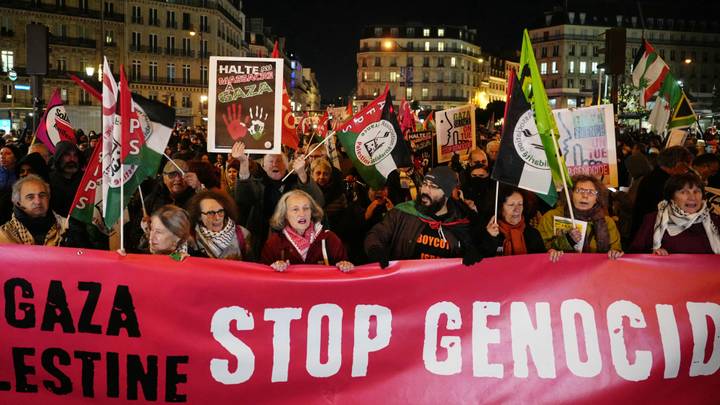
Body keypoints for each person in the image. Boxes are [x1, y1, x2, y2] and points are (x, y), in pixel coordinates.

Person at [365, 165, 482, 267]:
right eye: (425, 184)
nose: (426, 190)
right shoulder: (403, 212)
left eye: (433, 187)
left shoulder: (462, 221)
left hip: (442, 287)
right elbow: (376, 234)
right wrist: (376, 251)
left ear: (447, 193)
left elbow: (476, 255)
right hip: (407, 284)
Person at [230, 141, 324, 257]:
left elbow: (318, 201)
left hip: (294, 242)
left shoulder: (296, 182)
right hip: (261, 241)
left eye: (279, 161)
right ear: (263, 166)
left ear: (286, 166)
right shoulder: (257, 183)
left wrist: (302, 173)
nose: (275, 164)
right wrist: (243, 163)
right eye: (270, 161)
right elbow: (243, 199)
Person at [261, 190, 353, 272]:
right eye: (295, 209)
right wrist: (273, 269)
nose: (302, 214)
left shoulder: (330, 239)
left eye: (306, 208)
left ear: (311, 212)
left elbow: (345, 272)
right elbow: (263, 277)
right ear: (285, 214)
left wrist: (344, 266)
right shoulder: (274, 243)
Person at [631, 172, 720, 255]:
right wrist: (653, 253)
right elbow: (635, 254)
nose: (692, 197)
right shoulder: (653, 219)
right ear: (671, 197)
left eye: (696, 192)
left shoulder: (715, 220)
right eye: (684, 192)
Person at [538, 174, 623, 260]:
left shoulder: (608, 222)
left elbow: (616, 250)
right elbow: (540, 249)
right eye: (580, 191)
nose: (585, 196)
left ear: (597, 198)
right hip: (562, 270)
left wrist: (615, 253)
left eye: (591, 192)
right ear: (571, 194)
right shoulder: (551, 217)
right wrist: (567, 240)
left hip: (597, 271)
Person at [631, 146, 693, 238]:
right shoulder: (664, 183)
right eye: (686, 166)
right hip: (653, 234)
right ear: (678, 163)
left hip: (645, 230)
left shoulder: (653, 176)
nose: (686, 170)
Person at [480, 186, 547, 257]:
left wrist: (551, 253)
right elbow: (478, 262)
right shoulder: (489, 232)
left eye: (520, 204)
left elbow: (542, 262)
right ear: (500, 208)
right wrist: (490, 238)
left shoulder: (533, 234)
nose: (517, 209)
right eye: (511, 205)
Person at [187, 190, 252, 260]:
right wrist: (181, 257)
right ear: (199, 216)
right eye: (210, 213)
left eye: (220, 211)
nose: (217, 218)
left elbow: (255, 265)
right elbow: (175, 258)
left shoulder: (243, 234)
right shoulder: (190, 237)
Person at [0, 175, 64, 246]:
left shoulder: (65, 228)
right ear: (18, 202)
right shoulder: (4, 235)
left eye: (42, 195)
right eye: (30, 197)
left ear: (48, 198)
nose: (38, 201)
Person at [48, 141, 84, 217]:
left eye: (75, 155)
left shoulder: (85, 179)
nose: (72, 159)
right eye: (67, 155)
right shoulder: (48, 181)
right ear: (59, 157)